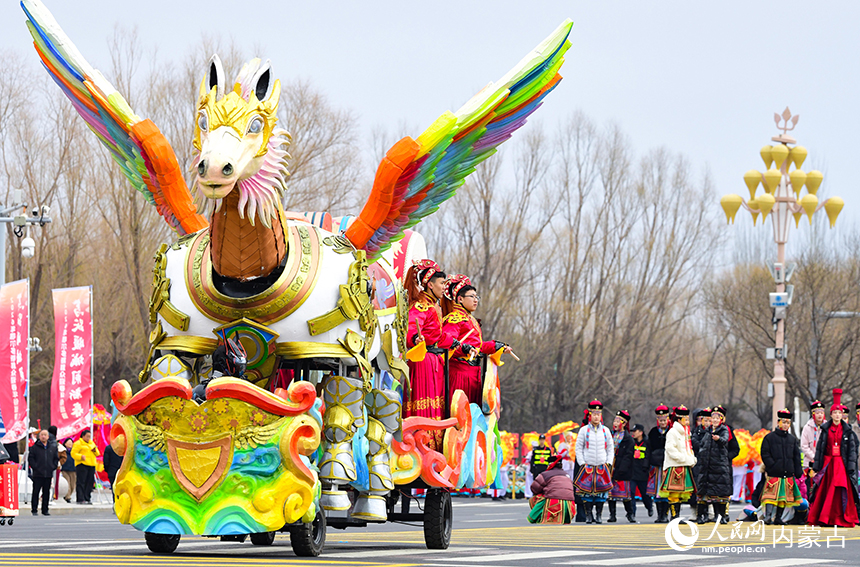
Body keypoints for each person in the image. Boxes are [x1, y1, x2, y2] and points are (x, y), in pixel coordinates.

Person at [402, 259, 459, 451]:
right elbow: (411, 330)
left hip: (434, 361)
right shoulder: (421, 306)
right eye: (441, 283)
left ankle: (431, 447)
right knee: (424, 404)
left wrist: (456, 343)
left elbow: (438, 336)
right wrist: (415, 338)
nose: (444, 287)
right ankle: (421, 446)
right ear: (429, 284)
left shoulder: (433, 306)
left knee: (436, 405)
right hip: (424, 361)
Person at [440, 274, 510, 406]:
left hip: (473, 374)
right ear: (460, 299)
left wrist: (496, 346)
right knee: (459, 416)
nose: (476, 300)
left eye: (477, 297)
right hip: (460, 374)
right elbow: (446, 342)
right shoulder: (455, 318)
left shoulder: (470, 319)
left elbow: (477, 346)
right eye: (472, 297)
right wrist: (463, 348)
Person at [808, 389, 860, 527]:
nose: (837, 415)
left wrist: (851, 466)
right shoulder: (825, 430)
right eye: (835, 413)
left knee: (840, 490)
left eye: (839, 413)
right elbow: (820, 448)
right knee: (825, 491)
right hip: (828, 463)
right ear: (830, 415)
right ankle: (826, 518)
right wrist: (817, 466)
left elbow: (852, 451)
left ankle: (840, 518)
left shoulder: (848, 430)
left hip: (841, 465)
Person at [759, 408, 803, 525]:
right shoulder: (769, 437)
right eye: (783, 422)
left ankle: (778, 517)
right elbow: (765, 453)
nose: (785, 425)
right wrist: (771, 465)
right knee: (770, 497)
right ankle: (768, 516)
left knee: (783, 499)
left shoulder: (792, 439)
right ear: (778, 422)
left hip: (787, 473)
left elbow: (796, 457)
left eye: (788, 422)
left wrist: (797, 471)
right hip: (774, 472)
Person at [574, 399, 614, 524]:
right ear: (590, 415)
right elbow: (578, 448)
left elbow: (610, 448)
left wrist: (608, 463)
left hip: (602, 466)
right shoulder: (584, 430)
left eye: (598, 414)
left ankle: (599, 515)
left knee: (601, 493)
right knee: (587, 493)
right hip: (588, 466)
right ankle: (588, 515)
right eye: (594, 414)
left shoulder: (605, 430)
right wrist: (582, 463)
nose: (596, 417)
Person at [694, 407, 733, 524]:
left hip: (719, 467)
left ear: (721, 419)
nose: (715, 420)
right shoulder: (706, 430)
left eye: (717, 418)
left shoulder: (724, 429)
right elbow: (701, 443)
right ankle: (700, 516)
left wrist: (718, 439)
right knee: (703, 493)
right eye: (713, 418)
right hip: (706, 466)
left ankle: (721, 516)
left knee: (720, 493)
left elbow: (725, 440)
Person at [660, 406, 697, 520]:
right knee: (674, 494)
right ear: (679, 420)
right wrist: (683, 458)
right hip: (674, 466)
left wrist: (691, 458)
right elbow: (670, 449)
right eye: (685, 419)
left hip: (683, 466)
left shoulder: (686, 432)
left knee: (681, 495)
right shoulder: (673, 432)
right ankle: (674, 517)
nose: (688, 421)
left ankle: (677, 517)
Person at [528, 450, 576, 524]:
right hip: (570, 507)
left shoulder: (545, 474)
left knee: (537, 497)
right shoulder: (567, 475)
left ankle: (538, 517)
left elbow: (534, 488)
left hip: (553, 504)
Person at [608, 410, 636, 523]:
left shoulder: (628, 439)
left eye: (618, 421)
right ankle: (612, 515)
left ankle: (630, 514)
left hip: (622, 469)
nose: (615, 423)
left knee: (626, 495)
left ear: (624, 423)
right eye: (614, 420)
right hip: (611, 467)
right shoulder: (610, 435)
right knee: (611, 495)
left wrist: (622, 469)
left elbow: (628, 456)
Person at [647, 404, 671, 523]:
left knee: (666, 490)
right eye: (660, 420)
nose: (663, 422)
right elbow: (649, 448)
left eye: (664, 420)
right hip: (656, 465)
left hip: (668, 465)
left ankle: (665, 514)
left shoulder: (672, 432)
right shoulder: (653, 432)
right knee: (657, 491)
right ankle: (659, 514)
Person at [29, 430, 58, 516]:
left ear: (48, 437)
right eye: (42, 435)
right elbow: (31, 459)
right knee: (36, 492)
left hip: (48, 474)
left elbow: (56, 458)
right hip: (38, 474)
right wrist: (36, 467)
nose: (43, 436)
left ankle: (45, 510)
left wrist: (52, 467)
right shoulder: (35, 447)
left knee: (46, 492)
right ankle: (34, 509)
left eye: (45, 435)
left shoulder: (52, 447)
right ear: (39, 436)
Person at [801, 399, 825, 501]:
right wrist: (815, 457)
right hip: (809, 463)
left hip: (823, 462)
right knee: (809, 489)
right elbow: (804, 446)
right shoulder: (807, 427)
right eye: (817, 413)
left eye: (822, 413)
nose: (820, 415)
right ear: (813, 413)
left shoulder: (827, 427)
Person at [629, 423, 653, 519]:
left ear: (641, 432)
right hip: (632, 472)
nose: (633, 433)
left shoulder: (647, 442)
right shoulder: (632, 442)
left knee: (644, 494)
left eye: (635, 431)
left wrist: (645, 467)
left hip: (643, 472)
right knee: (631, 493)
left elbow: (648, 456)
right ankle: (632, 514)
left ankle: (649, 507)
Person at [690, 408, 711, 517]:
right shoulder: (694, 432)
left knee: (709, 489)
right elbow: (695, 445)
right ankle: (695, 512)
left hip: (710, 463)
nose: (705, 422)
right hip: (697, 463)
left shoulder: (714, 431)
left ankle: (709, 512)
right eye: (701, 420)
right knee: (696, 489)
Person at [71, 429, 100, 505]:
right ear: (83, 436)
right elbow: (73, 453)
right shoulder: (78, 443)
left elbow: (97, 453)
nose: (88, 438)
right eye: (87, 436)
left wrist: (94, 450)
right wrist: (80, 456)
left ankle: (87, 497)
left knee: (90, 482)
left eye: (89, 436)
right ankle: (80, 498)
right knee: (81, 481)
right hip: (82, 464)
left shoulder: (91, 443)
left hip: (91, 464)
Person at [60, 438, 76, 503]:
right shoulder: (63, 451)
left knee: (72, 485)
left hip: (73, 469)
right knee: (67, 483)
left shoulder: (74, 451)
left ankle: (68, 495)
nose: (70, 444)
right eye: (68, 443)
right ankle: (67, 496)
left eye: (71, 443)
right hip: (65, 469)